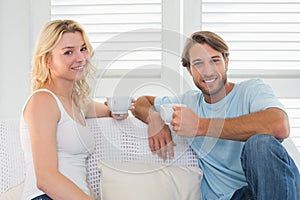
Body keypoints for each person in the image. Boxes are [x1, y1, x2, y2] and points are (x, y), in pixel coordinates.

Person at [132, 31, 300, 200]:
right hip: (234, 197)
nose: (208, 71)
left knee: (259, 143)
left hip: (277, 188)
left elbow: (279, 126)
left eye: (215, 60)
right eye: (198, 64)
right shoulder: (187, 103)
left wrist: (200, 126)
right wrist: (154, 119)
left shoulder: (252, 90)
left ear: (226, 62)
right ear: (189, 70)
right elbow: (141, 102)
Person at [20, 19, 130, 200]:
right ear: (47, 60)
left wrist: (119, 110)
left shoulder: (75, 104)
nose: (80, 58)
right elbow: (46, 179)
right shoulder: (43, 101)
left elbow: (107, 109)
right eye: (68, 52)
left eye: (83, 48)